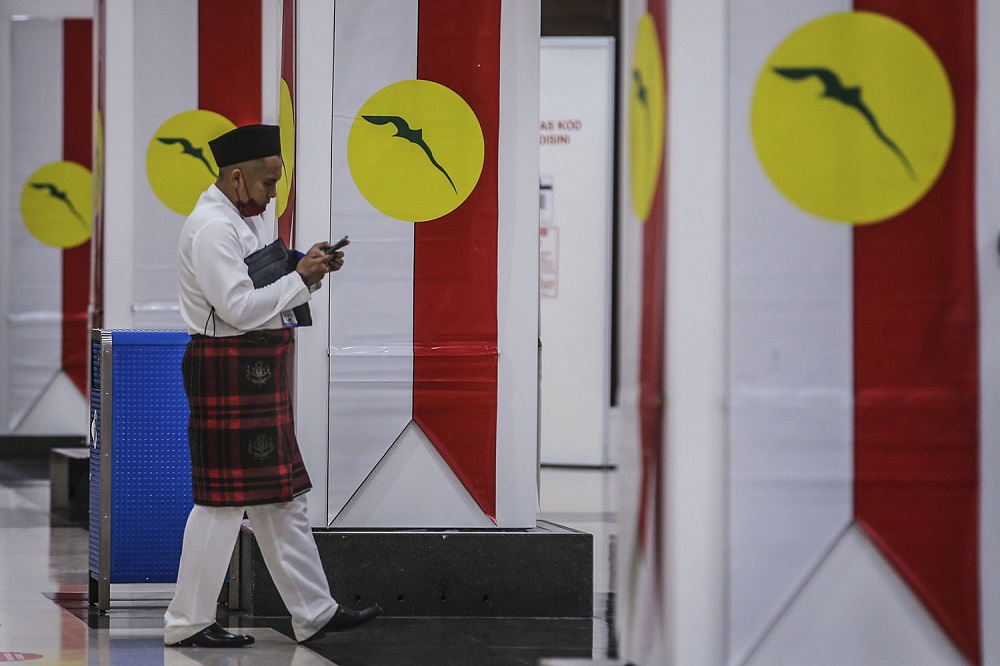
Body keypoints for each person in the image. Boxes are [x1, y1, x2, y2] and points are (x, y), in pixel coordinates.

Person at [165, 124, 381, 648]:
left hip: (252, 368)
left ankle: (315, 613)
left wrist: (299, 265)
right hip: (229, 364)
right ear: (237, 178)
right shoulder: (213, 228)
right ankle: (187, 623)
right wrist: (301, 278)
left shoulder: (246, 219)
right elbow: (237, 308)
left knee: (281, 497)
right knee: (221, 504)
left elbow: (258, 283)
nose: (272, 194)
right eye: (266, 183)